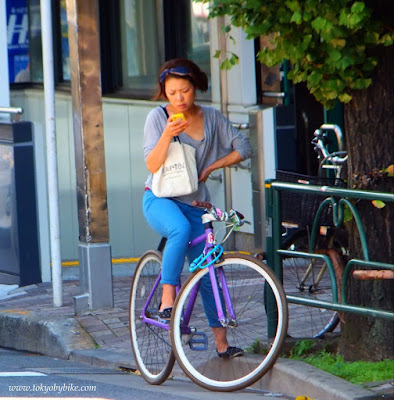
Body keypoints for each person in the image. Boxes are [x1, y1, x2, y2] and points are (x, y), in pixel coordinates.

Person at [142, 58, 253, 358]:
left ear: (196, 88)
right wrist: (167, 133)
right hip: (160, 198)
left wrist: (211, 168)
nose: (179, 98)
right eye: (172, 91)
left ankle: (222, 344)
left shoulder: (213, 118)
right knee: (177, 229)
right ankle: (168, 301)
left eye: (185, 91)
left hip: (194, 203)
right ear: (164, 92)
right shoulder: (157, 118)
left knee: (209, 270)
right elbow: (152, 165)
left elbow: (244, 148)